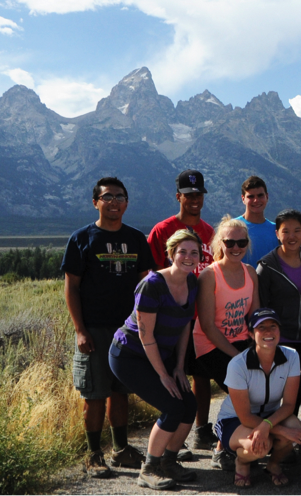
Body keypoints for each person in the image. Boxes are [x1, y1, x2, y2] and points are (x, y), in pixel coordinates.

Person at [63, 177, 154, 477]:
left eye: (119, 196)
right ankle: (93, 454)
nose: (114, 201)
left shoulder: (137, 239)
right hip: (95, 329)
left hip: (127, 330)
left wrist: (144, 326)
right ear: (96, 202)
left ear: (127, 203)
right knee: (94, 395)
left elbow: (145, 284)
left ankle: (121, 449)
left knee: (121, 392)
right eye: (107, 197)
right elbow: (72, 287)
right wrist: (80, 329)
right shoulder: (82, 238)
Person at [108, 230, 202, 490]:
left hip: (161, 355)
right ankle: (149, 469)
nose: (188, 257)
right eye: (182, 251)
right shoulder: (153, 284)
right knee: (172, 405)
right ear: (171, 254)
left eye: (194, 252)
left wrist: (180, 368)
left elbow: (185, 326)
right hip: (130, 355)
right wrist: (163, 375)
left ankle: (168, 462)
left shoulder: (192, 283)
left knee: (188, 403)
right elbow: (146, 336)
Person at [146, 169, 217, 452]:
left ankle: (200, 429)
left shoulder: (210, 232)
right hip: (169, 321)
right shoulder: (162, 230)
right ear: (179, 197)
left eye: (198, 194)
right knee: (171, 378)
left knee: (200, 376)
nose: (194, 199)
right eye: (188, 195)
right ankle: (170, 434)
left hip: (199, 319)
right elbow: (149, 276)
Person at [214, 308, 301, 487]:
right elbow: (245, 417)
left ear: (279, 330)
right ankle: (242, 463)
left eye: (273, 326)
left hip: (270, 417)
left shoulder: (292, 356)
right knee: (259, 446)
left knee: (294, 427)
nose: (268, 331)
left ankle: (273, 465)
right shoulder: (238, 364)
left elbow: (289, 405)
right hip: (235, 420)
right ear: (251, 334)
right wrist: (280, 431)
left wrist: (267, 426)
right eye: (261, 327)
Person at [194, 216, 259, 470]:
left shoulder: (250, 272)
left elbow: (254, 317)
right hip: (210, 344)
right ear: (220, 243)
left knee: (259, 385)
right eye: (229, 242)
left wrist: (259, 348)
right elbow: (208, 326)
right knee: (241, 388)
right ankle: (222, 448)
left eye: (241, 242)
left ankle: (245, 442)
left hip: (241, 340)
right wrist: (238, 356)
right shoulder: (210, 275)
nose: (235, 248)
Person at [256, 209, 301, 414]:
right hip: (283, 337)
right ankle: (286, 434)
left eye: (297, 230)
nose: (291, 236)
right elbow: (262, 307)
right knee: (290, 387)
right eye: (286, 231)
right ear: (277, 234)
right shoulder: (266, 266)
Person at [235, 176, 279, 266]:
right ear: (243, 199)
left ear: (267, 196)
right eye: (251, 196)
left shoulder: (276, 230)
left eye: (260, 195)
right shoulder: (232, 228)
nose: (256, 200)